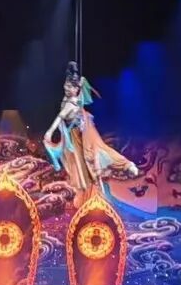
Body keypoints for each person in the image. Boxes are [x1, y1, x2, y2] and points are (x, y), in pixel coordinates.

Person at [42, 61, 138, 205]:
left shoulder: (70, 104)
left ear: (76, 89)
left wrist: (50, 132)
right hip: (75, 133)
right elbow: (78, 84)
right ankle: (90, 194)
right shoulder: (70, 97)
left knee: (96, 152)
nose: (67, 88)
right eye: (66, 85)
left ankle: (127, 165)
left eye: (70, 87)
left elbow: (59, 118)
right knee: (82, 164)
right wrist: (73, 72)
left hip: (84, 130)